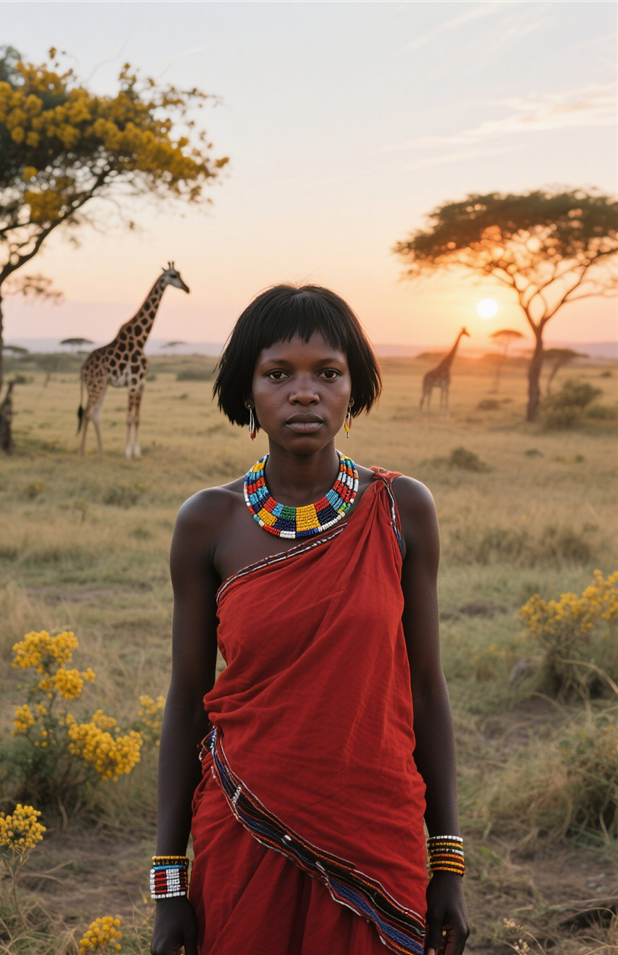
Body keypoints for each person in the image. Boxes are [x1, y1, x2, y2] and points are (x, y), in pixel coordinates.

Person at [150, 285, 470, 955]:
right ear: (248, 392)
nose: (304, 392)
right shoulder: (207, 523)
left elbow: (427, 687)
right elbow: (186, 699)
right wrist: (168, 882)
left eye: (327, 372)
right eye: (278, 374)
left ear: (353, 390)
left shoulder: (402, 509)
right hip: (245, 831)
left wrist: (448, 861)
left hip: (375, 831)